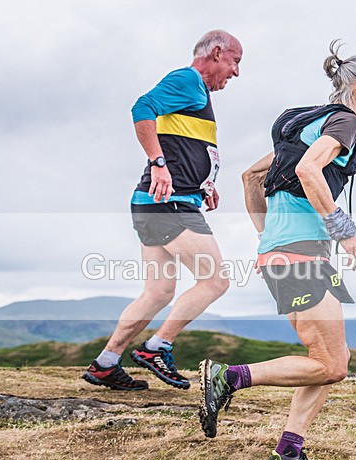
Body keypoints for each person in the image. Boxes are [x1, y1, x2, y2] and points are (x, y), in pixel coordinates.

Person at [198, 40, 356, 460]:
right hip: (301, 255)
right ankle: (227, 378)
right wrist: (344, 230)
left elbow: (251, 176)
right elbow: (307, 171)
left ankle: (289, 453)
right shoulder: (344, 123)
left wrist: (268, 238)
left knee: (328, 360)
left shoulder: (308, 123)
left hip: (287, 253)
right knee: (331, 364)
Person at [81, 30, 242, 391]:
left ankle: (105, 363)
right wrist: (157, 162)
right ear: (216, 53)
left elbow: (184, 147)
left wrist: (205, 184)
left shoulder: (194, 93)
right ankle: (157, 347)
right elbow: (142, 108)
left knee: (157, 292)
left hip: (160, 202)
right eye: (235, 62)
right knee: (216, 281)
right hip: (169, 204)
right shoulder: (187, 79)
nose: (235, 73)